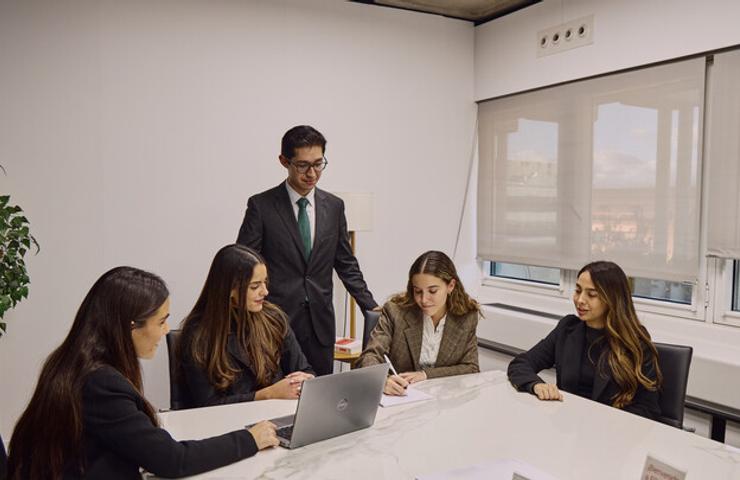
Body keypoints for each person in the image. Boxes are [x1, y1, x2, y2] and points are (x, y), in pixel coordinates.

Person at [7, 267, 278, 480]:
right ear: (130, 326)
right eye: (160, 321)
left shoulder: (72, 361)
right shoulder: (100, 383)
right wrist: (250, 438)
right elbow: (173, 460)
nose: (165, 331)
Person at [236, 125, 378, 376]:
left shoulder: (334, 207)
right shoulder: (262, 206)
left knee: (320, 398)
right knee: (277, 399)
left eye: (318, 163)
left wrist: (370, 305)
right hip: (274, 322)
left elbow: (346, 263)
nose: (312, 173)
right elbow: (243, 265)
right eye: (302, 165)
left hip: (320, 325)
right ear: (284, 161)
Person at [507, 260, 662, 420]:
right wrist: (536, 385)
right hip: (568, 427)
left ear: (612, 299)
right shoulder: (567, 328)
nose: (580, 300)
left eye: (591, 294)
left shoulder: (635, 341)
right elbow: (521, 363)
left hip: (611, 433)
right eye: (578, 291)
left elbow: (647, 409)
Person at [177, 244, 314, 408]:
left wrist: (306, 379)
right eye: (254, 286)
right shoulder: (198, 335)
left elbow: (304, 368)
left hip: (276, 416)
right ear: (230, 289)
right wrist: (267, 395)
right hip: (229, 427)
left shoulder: (273, 318)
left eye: (265, 283)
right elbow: (208, 404)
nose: (265, 292)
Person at [355, 250, 481, 396]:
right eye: (418, 291)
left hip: (443, 403)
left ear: (451, 286)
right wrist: (382, 380)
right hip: (399, 402)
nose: (423, 300)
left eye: (432, 291)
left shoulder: (466, 317)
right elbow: (369, 356)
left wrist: (426, 374)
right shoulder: (395, 312)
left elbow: (471, 368)